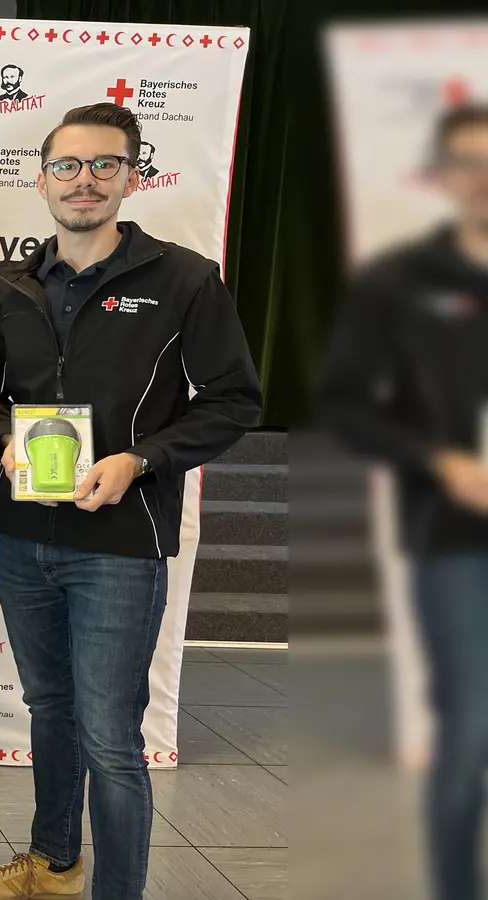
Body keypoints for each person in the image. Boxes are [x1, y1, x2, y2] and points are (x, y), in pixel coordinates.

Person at [0, 103, 261, 900]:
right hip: (23, 540)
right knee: (49, 710)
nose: (84, 181)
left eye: (103, 165)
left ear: (133, 175)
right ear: (42, 179)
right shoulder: (11, 289)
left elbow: (234, 401)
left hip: (122, 547)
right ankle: (54, 864)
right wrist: (2, 441)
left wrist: (142, 458)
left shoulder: (185, 279)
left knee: (111, 741)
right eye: (68, 166)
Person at [319, 103, 488, 900]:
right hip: (458, 542)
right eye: (468, 163)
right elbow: (347, 404)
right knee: (471, 737)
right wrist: (436, 459)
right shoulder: (399, 282)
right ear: (443, 175)